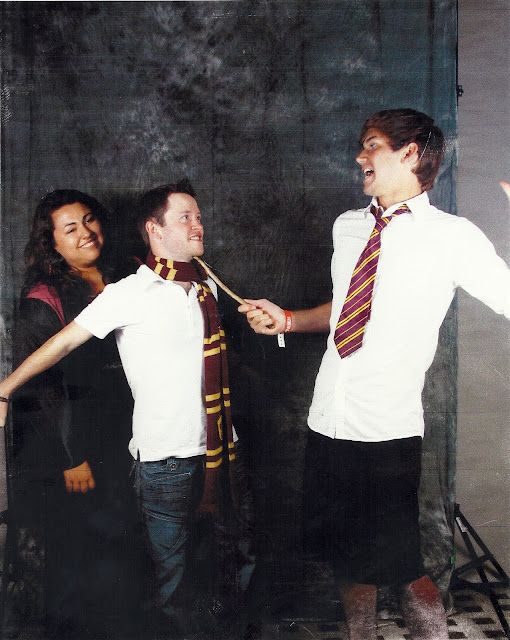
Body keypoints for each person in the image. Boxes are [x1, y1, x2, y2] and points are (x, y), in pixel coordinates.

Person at [238, 109, 510, 640]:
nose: (360, 156)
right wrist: (288, 320)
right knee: (344, 556)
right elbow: (346, 310)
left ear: (410, 153)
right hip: (328, 419)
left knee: (402, 566)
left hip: (386, 428)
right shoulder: (348, 226)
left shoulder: (452, 237)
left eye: (372, 145)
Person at [0, 180, 255, 639]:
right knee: (169, 572)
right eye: (185, 217)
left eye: (199, 216)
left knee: (235, 553)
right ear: (154, 229)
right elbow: (60, 347)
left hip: (222, 449)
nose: (198, 225)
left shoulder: (207, 287)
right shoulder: (127, 292)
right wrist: (5, 389)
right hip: (160, 458)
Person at [9, 189, 142, 639]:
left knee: (124, 541)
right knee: (79, 548)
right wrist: (72, 456)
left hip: (125, 428)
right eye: (70, 229)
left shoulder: (126, 276)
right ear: (52, 243)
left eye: (89, 220)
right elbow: (42, 389)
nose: (86, 232)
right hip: (73, 439)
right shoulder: (43, 298)